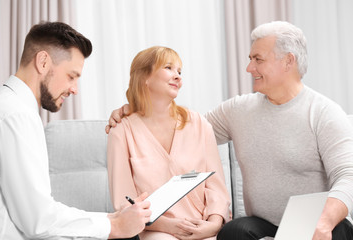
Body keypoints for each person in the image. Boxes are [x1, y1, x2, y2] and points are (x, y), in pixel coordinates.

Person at [106, 21, 353, 240]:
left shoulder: (324, 113)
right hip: (261, 224)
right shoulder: (238, 110)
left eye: (258, 59)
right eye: (250, 59)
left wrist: (325, 221)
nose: (249, 68)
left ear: (288, 61)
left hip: (313, 223)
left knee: (338, 231)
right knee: (233, 232)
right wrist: (135, 108)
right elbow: (186, 131)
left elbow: (349, 175)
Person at [0, 21, 151, 240]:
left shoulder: (6, 106)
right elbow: (38, 221)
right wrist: (113, 226)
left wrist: (111, 220)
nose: (75, 89)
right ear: (43, 62)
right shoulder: (16, 115)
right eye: (71, 76)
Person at [106, 46, 231, 240]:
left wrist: (213, 225)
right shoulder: (122, 131)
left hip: (202, 226)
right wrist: (168, 225)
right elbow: (125, 201)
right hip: (156, 229)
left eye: (179, 71)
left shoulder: (198, 124)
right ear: (145, 77)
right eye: (168, 68)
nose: (178, 76)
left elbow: (217, 189)